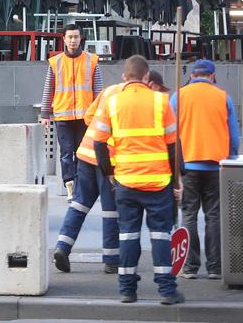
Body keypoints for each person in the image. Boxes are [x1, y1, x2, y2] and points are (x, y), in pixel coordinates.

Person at [94, 55, 184, 305]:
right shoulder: (161, 102)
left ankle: (127, 290)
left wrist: (109, 173)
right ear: (146, 77)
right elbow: (174, 147)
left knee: (128, 236)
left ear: (125, 77)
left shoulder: (111, 102)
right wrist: (179, 181)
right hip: (158, 182)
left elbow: (99, 142)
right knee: (160, 236)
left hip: (125, 180)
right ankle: (167, 290)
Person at [170, 59, 239, 280]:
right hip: (216, 166)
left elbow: (170, 134)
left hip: (187, 165)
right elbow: (234, 136)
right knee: (214, 215)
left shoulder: (178, 97)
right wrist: (231, 157)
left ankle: (190, 267)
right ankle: (215, 268)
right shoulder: (223, 97)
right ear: (211, 76)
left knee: (188, 215)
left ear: (192, 75)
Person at [53, 82, 123, 274]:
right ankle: (112, 259)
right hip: (108, 160)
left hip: (86, 154)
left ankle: (62, 247)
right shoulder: (136, 99)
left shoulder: (109, 90)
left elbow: (89, 117)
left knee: (78, 204)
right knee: (111, 210)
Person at [41, 23, 103, 201]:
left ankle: (81, 188)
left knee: (82, 154)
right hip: (63, 115)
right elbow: (48, 88)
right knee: (66, 153)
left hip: (85, 117)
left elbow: (99, 91)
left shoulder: (92, 61)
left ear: (80, 38)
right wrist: (45, 115)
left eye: (76, 37)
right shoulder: (56, 62)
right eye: (70, 37)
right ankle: (70, 187)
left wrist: (100, 115)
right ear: (64, 39)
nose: (73, 40)